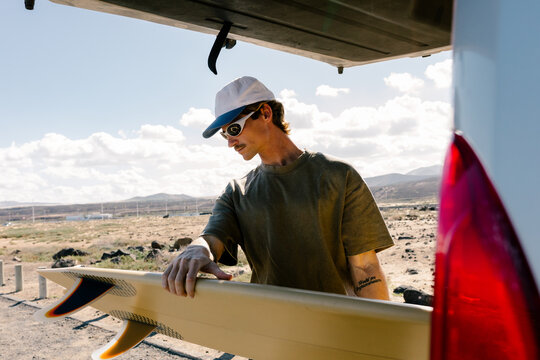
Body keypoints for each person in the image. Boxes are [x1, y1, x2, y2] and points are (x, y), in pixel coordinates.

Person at [162, 76, 394, 300]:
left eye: (233, 129)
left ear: (265, 113)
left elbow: (365, 267)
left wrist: (381, 330)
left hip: (335, 327)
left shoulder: (338, 175)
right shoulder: (237, 192)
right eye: (224, 135)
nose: (230, 143)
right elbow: (212, 238)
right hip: (270, 328)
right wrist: (197, 249)